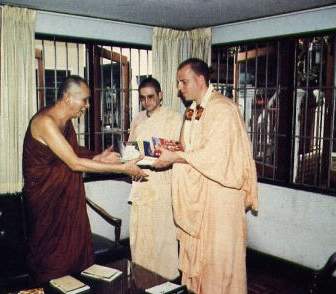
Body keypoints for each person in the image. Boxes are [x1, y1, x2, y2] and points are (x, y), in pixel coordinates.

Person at [22, 75, 147, 286]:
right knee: (52, 267)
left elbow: (70, 152)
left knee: (77, 265)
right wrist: (121, 167)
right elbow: (74, 163)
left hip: (66, 201)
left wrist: (95, 157)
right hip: (47, 204)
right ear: (68, 97)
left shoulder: (65, 122)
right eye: (85, 100)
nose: (88, 106)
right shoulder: (45, 122)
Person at [152, 58, 258, 294]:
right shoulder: (192, 111)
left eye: (183, 82)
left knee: (219, 263)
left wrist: (176, 157)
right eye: (179, 82)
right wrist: (166, 153)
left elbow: (217, 156)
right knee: (200, 260)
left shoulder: (223, 109)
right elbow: (187, 148)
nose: (180, 88)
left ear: (200, 80)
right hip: (199, 197)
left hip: (221, 199)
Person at [127, 77, 182, 280]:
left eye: (151, 97)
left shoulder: (173, 118)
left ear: (160, 95)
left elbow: (180, 149)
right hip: (141, 182)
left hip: (163, 183)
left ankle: (167, 281)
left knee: (162, 237)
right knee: (141, 236)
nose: (147, 102)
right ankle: (142, 279)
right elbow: (131, 148)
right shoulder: (138, 119)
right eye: (142, 98)